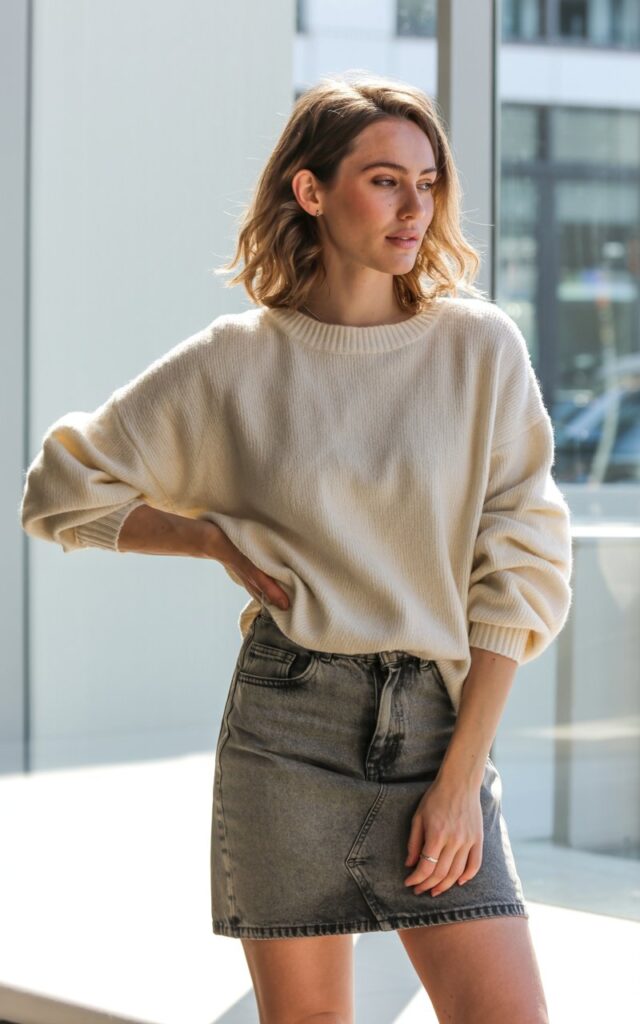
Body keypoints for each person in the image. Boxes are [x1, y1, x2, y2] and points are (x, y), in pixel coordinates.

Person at [20, 70, 572, 1024]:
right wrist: (205, 538)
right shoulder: (240, 360)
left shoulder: (479, 350)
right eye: (385, 179)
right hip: (289, 729)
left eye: (428, 181)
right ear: (310, 191)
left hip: (439, 722)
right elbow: (60, 488)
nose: (415, 207)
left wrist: (457, 780)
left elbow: (518, 568)